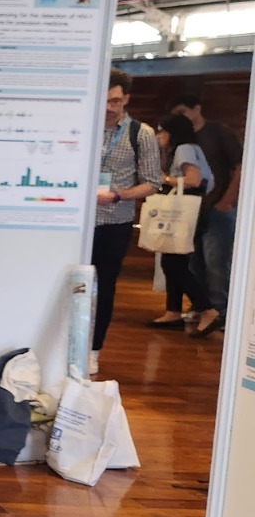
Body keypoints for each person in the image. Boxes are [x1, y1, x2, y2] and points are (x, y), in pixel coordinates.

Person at [92, 70, 161, 373]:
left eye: (116, 101)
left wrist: (120, 195)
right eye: (105, 100)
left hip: (113, 223)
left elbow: (152, 182)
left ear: (126, 99)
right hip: (74, 225)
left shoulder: (140, 133)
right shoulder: (83, 126)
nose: (109, 107)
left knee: (104, 287)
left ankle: (94, 349)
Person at [169, 93, 243, 337]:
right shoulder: (187, 140)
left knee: (216, 262)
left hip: (217, 208)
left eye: (183, 112)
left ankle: (220, 312)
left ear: (197, 108)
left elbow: (240, 166)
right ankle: (203, 309)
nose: (180, 119)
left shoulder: (218, 132)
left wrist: (227, 201)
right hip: (194, 210)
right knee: (195, 261)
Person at [153, 113, 215, 336]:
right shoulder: (191, 148)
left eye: (162, 131)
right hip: (194, 211)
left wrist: (164, 179)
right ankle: (173, 311)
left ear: (172, 132)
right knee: (174, 261)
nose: (160, 136)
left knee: (173, 264)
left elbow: (193, 180)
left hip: (185, 213)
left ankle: (207, 309)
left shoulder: (184, 149)